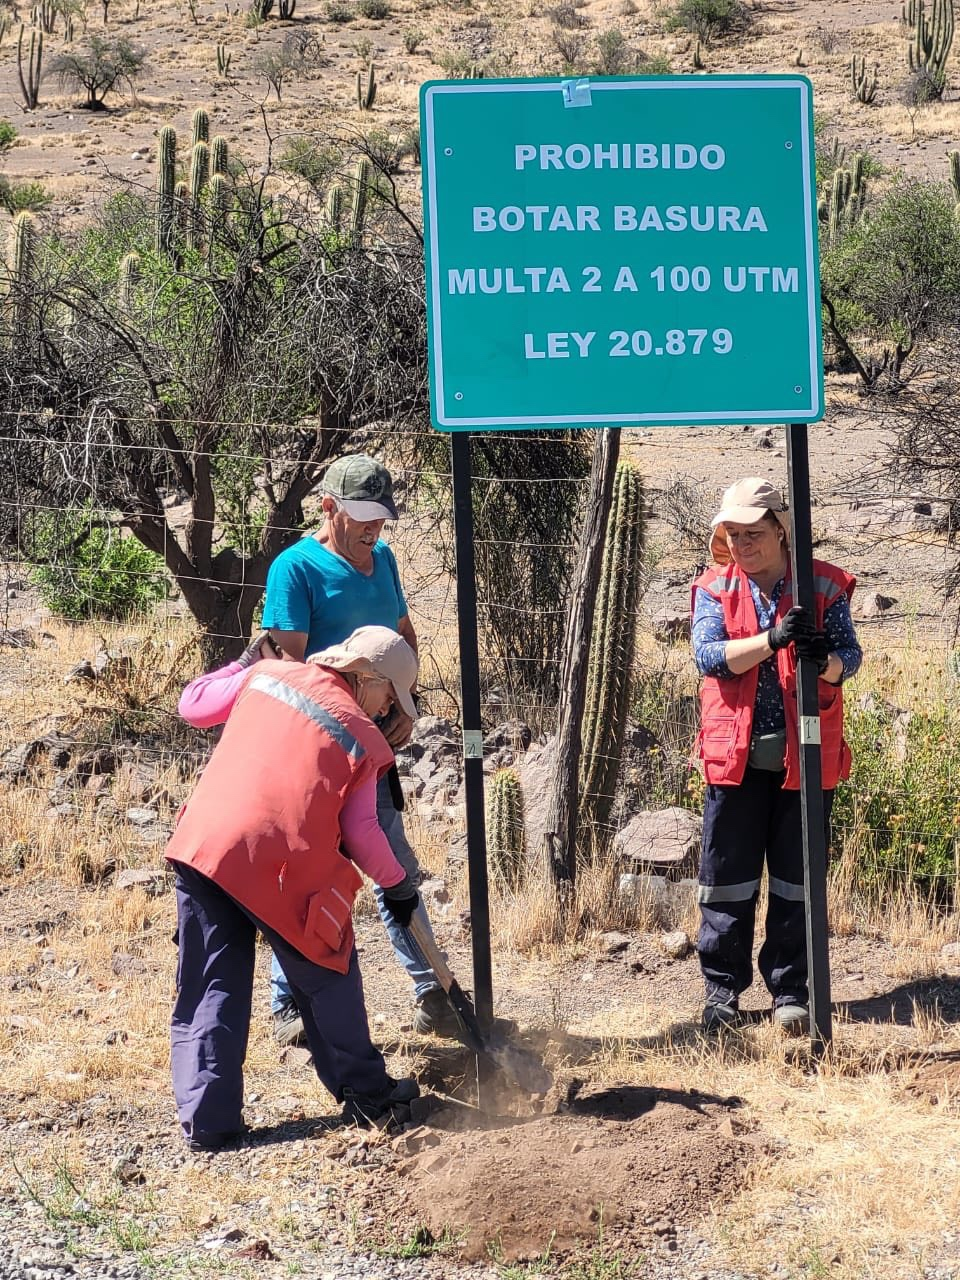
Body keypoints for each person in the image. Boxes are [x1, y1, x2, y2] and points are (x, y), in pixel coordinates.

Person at [167, 626, 423, 1150]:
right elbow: (361, 832)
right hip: (278, 868)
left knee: (212, 982)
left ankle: (209, 1125)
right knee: (329, 970)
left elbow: (191, 706)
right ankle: (370, 1096)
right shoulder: (361, 736)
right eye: (389, 698)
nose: (387, 712)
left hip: (204, 845)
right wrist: (398, 887)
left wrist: (241, 663)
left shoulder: (264, 676)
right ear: (365, 678)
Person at [259, 453, 460, 1043]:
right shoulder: (295, 569)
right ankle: (289, 1003)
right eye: (363, 517)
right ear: (330, 508)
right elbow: (290, 669)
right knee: (313, 870)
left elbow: (402, 639)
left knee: (389, 864)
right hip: (319, 752)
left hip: (374, 747)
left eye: (381, 518)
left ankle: (428, 991)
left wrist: (402, 706)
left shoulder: (385, 561)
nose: (374, 530)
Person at [690, 476, 862, 1035]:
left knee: (797, 881)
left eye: (754, 532)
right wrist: (773, 638)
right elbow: (711, 656)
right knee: (726, 881)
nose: (743, 544)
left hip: (806, 760)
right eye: (733, 533)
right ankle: (722, 993)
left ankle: (791, 991)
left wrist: (824, 660)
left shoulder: (824, 584)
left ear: (782, 531)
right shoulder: (715, 587)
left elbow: (848, 658)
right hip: (734, 761)